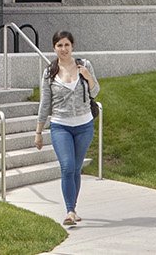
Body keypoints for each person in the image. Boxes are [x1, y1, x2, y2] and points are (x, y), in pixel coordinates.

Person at [33, 29, 98, 228]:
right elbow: (45, 103)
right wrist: (38, 132)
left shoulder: (84, 65)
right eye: (59, 45)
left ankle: (73, 208)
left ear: (72, 46)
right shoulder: (49, 72)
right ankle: (69, 211)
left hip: (84, 125)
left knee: (76, 169)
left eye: (66, 45)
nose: (63, 49)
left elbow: (96, 90)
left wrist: (88, 77)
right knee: (67, 166)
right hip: (61, 125)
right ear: (54, 48)